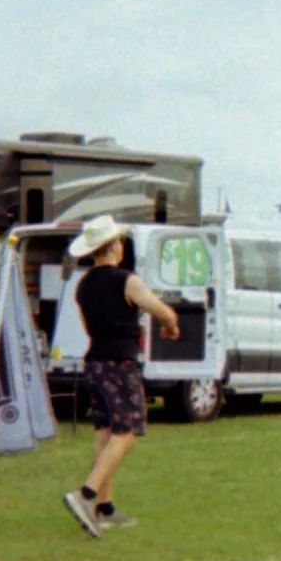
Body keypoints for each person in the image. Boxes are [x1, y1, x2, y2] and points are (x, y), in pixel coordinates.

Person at [62, 215, 179, 536]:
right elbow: (162, 310)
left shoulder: (83, 286)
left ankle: (105, 508)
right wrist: (171, 327)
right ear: (114, 246)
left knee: (105, 433)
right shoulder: (126, 280)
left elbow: (87, 327)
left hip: (95, 362)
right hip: (120, 364)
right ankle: (85, 495)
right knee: (128, 430)